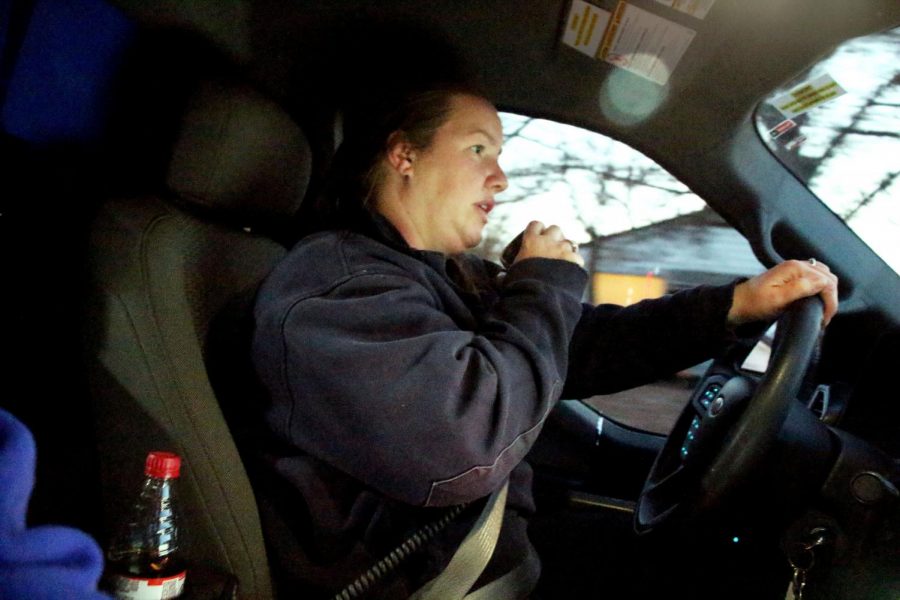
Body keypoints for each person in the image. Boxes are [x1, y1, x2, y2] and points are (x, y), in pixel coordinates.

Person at [250, 83, 839, 599]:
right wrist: (541, 283)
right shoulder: (336, 284)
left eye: (500, 156)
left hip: (495, 568)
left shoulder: (439, 277)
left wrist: (735, 306)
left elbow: (576, 347)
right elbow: (466, 440)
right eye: (478, 149)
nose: (500, 179)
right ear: (405, 154)